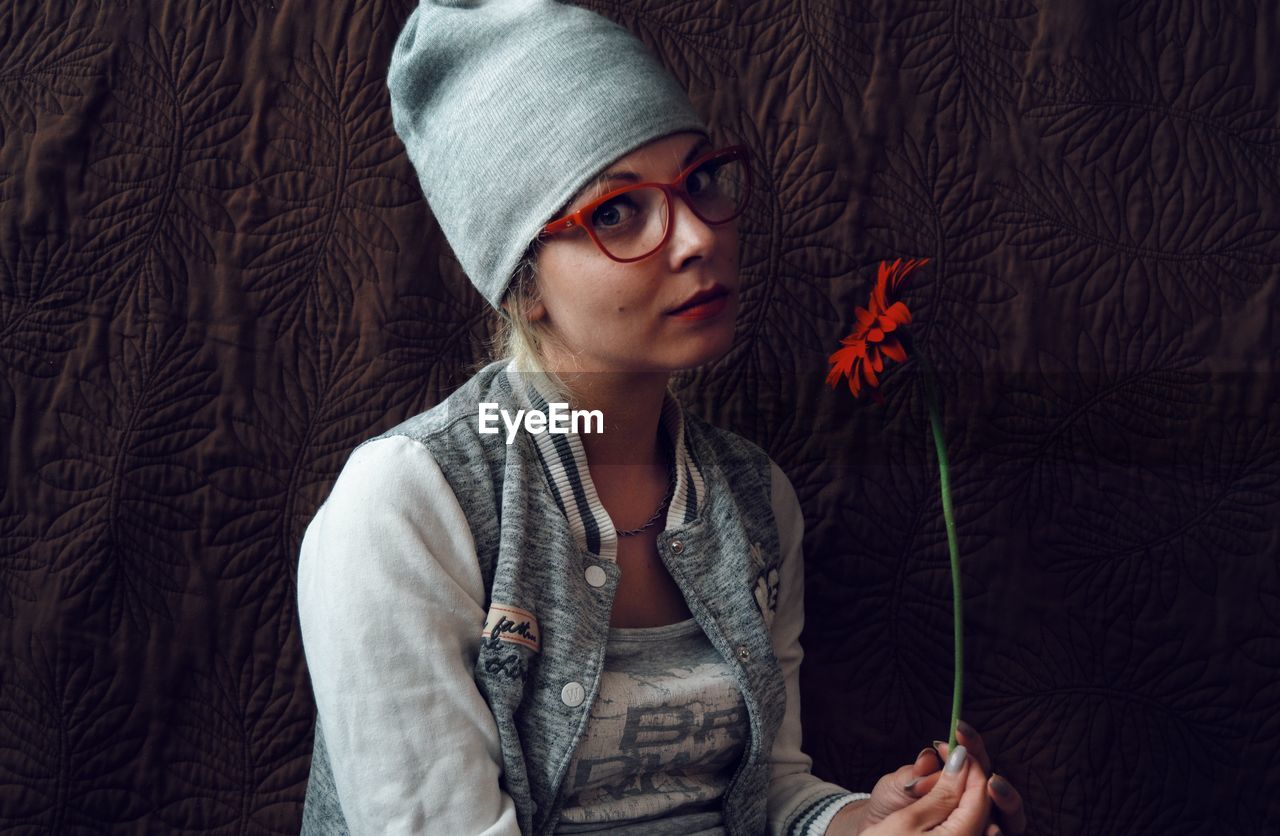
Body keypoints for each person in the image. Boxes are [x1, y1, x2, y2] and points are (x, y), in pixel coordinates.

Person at [296, 1, 1028, 834]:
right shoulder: (404, 508)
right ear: (525, 282)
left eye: (699, 181)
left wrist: (857, 822)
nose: (694, 237)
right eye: (616, 211)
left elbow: (767, 788)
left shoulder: (754, 499)